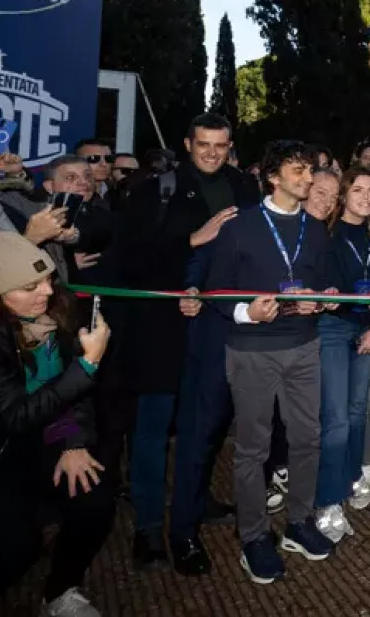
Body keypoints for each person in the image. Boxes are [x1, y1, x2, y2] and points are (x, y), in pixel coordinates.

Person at [117, 113, 260, 575]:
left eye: (221, 145)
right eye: (203, 145)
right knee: (153, 432)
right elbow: (128, 262)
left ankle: (188, 521)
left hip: (215, 331)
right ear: (186, 143)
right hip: (159, 331)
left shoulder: (244, 188)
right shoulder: (153, 191)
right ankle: (147, 529)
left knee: (204, 429)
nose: (213, 153)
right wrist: (192, 240)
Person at [205, 140, 337, 584]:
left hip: (304, 346)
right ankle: (254, 536)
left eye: (310, 169)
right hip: (251, 352)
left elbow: (321, 282)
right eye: (298, 170)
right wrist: (246, 311)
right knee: (253, 449)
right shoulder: (240, 226)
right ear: (273, 176)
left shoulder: (316, 229)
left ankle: (299, 523)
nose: (308, 178)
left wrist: (322, 299)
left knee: (307, 440)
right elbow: (217, 289)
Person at [0, 233, 115, 616]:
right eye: (30, 287)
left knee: (95, 500)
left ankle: (61, 591)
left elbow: (72, 396)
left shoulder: (60, 310)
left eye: (48, 279)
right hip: (6, 449)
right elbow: (14, 418)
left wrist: (73, 442)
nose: (46, 292)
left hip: (47, 433)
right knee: (17, 545)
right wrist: (87, 366)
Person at [313, 168, 370, 543]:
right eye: (357, 189)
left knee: (358, 410)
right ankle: (327, 500)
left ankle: (351, 476)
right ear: (343, 195)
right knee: (337, 417)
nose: (365, 196)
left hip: (367, 327)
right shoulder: (324, 231)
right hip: (333, 326)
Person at [75, 139, 115, 203]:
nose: (104, 164)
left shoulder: (119, 193)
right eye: (93, 158)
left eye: (108, 159)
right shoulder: (69, 195)